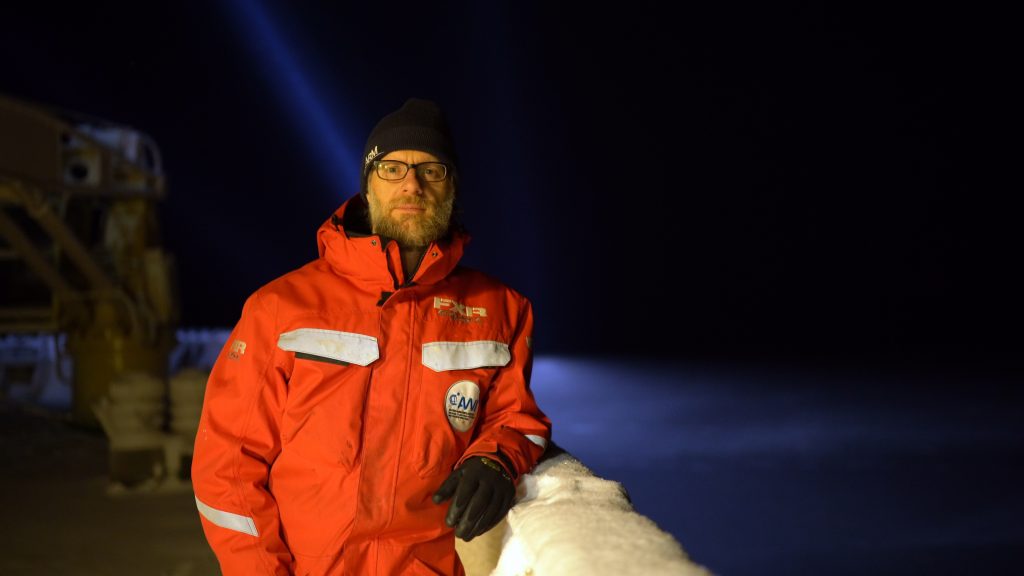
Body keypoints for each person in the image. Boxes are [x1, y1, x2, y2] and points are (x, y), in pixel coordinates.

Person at [191, 98, 552, 576]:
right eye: (392, 167)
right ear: (367, 185)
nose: (412, 184)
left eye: (432, 170)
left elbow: (517, 417)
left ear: (453, 188)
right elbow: (228, 465)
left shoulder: (500, 309)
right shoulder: (281, 307)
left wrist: (497, 460)